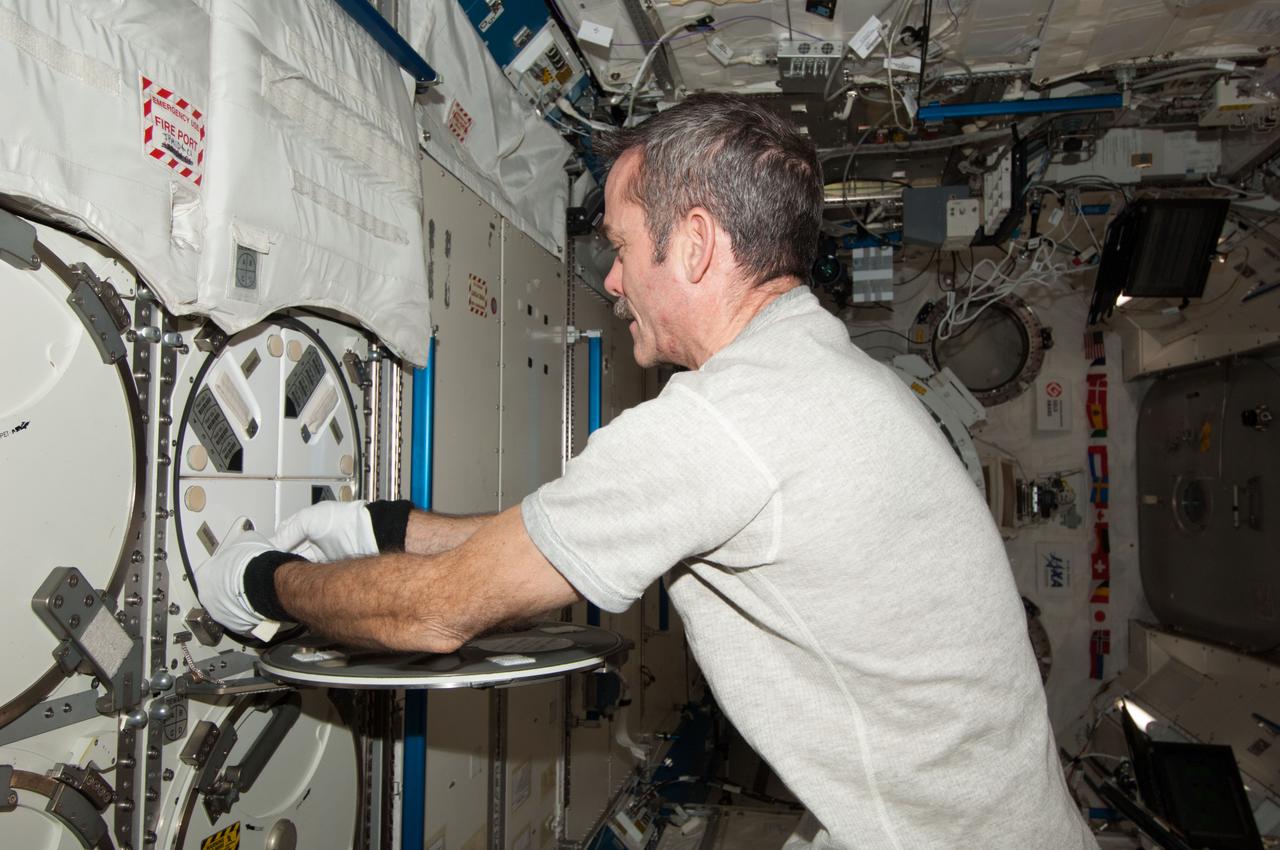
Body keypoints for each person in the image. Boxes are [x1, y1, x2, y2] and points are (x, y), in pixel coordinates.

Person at [199, 93, 1097, 849]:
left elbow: (436, 612)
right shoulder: (823, 378)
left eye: (623, 249)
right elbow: (558, 536)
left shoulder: (724, 425)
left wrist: (266, 584)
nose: (615, 281)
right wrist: (391, 530)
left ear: (696, 245)